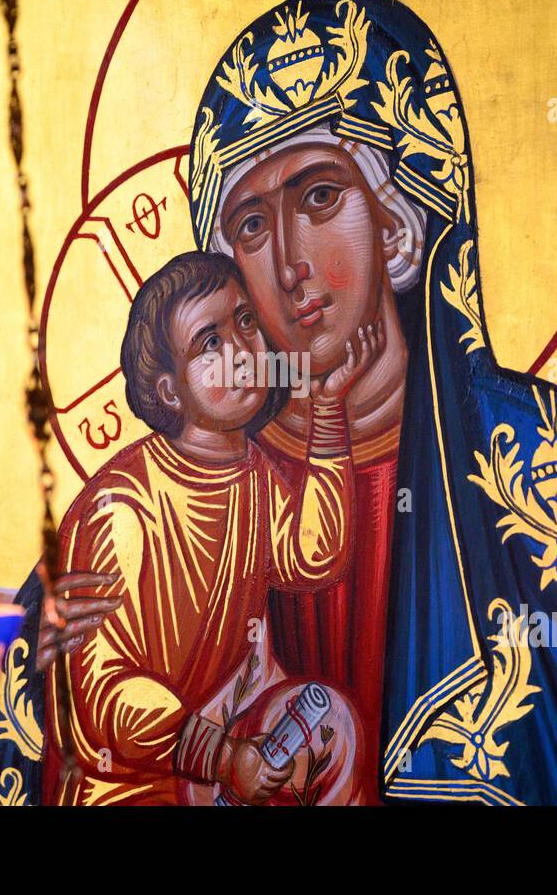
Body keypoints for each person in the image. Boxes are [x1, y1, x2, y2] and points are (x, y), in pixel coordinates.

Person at [186, 0, 557, 804]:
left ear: (397, 224)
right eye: (251, 225)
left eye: (320, 197)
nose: (288, 261)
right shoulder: (175, 492)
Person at [40, 251, 380, 805]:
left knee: (329, 725)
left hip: (234, 737)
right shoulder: (121, 510)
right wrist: (220, 758)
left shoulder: (253, 475)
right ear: (171, 391)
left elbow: (311, 558)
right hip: (137, 778)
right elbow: (104, 694)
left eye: (244, 322)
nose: (243, 353)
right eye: (210, 343)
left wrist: (326, 410)